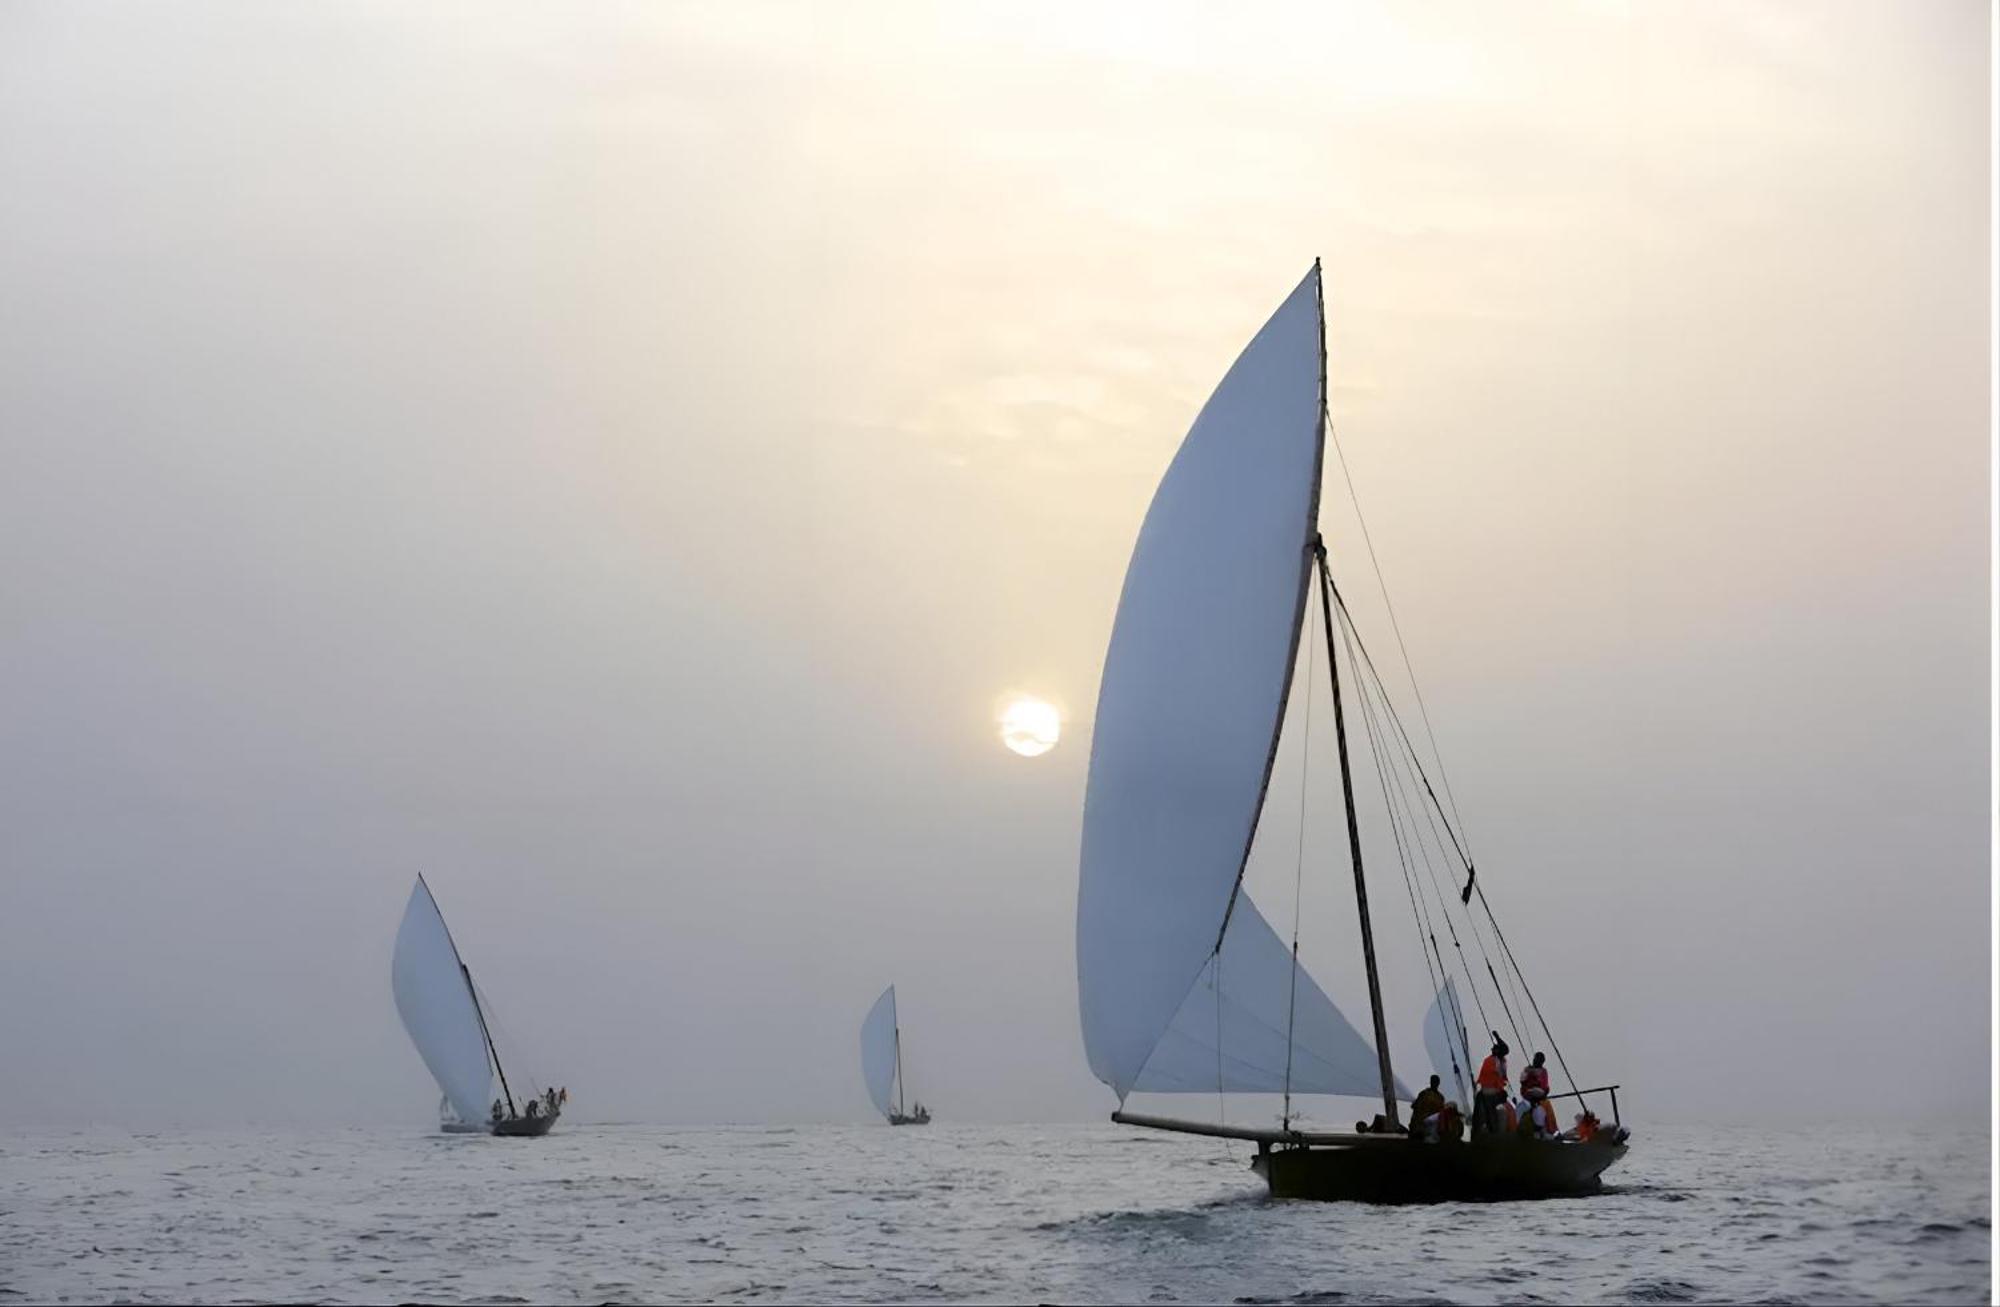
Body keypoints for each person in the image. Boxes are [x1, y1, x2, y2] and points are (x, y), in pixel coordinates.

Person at [1472, 1037, 1509, 1136]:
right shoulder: (1496, 1061)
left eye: (1494, 1049)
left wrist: (1497, 1036)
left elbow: (1505, 1049)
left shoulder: (1498, 1061)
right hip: (1490, 1093)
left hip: (1491, 1093)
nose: (1492, 1050)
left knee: (1489, 1117)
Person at [1410, 1075, 1447, 1139]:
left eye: (1435, 1082)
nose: (1434, 1083)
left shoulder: (1440, 1098)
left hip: (1431, 1128)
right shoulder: (1424, 1094)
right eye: (1433, 1081)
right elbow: (1415, 1108)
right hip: (1421, 1128)